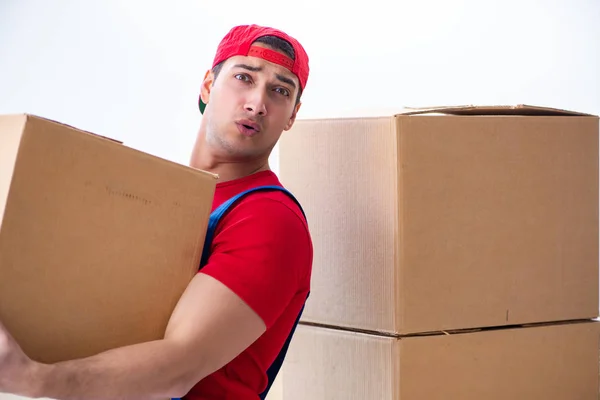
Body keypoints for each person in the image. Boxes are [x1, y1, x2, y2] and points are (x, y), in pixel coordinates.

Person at [0, 24, 313, 400]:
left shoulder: (269, 218)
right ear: (209, 86)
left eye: (280, 91)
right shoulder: (164, 200)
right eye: (244, 77)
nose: (257, 103)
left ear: (292, 115)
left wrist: (33, 379)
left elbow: (179, 365)